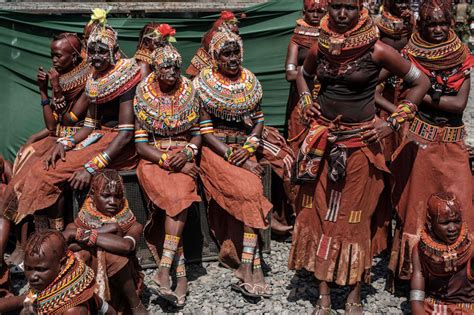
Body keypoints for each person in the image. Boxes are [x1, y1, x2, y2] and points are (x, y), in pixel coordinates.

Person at [288, 0, 430, 313]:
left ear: (360, 10)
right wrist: (306, 100)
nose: (341, 14)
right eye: (336, 6)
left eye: (349, 7)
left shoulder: (376, 50)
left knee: (355, 218)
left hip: (361, 144)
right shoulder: (321, 47)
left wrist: (392, 120)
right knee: (319, 213)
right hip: (323, 142)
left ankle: (354, 293)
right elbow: (302, 74)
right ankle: (323, 293)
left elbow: (420, 81)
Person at [1, 19, 141, 224]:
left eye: (101, 51)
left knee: (46, 175)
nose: (95, 57)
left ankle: (54, 238)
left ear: (115, 50)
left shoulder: (127, 74)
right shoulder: (95, 78)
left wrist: (90, 168)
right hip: (98, 136)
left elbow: (126, 134)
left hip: (119, 144)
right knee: (43, 165)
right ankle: (47, 238)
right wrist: (65, 144)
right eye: (91, 51)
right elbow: (89, 126)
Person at [389, 0, 474, 283]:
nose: (437, 29)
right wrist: (397, 109)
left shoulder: (462, 56)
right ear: (420, 26)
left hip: (453, 141)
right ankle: (413, 274)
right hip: (420, 139)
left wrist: (418, 93)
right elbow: (376, 86)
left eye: (442, 23)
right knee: (417, 205)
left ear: (451, 24)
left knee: (461, 203)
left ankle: (460, 275)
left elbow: (459, 104)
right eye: (431, 24)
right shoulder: (407, 55)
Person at [0, 32, 91, 274]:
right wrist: (43, 91)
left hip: (80, 138)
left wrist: (57, 90)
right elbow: (53, 126)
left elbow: (68, 120)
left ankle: (53, 238)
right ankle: (26, 241)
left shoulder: (89, 79)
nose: (53, 60)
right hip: (58, 134)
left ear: (75, 56)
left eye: (58, 55)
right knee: (25, 161)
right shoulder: (60, 75)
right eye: (51, 54)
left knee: (42, 173)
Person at [194, 29, 273, 298]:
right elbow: (204, 132)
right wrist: (232, 156)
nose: (232, 58)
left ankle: (249, 266)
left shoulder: (250, 81)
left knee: (252, 191)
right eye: (226, 54)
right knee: (250, 192)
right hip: (215, 151)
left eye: (235, 52)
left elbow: (259, 120)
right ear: (215, 57)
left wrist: (249, 147)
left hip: (243, 147)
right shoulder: (203, 83)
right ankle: (254, 266)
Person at [134, 38, 200, 308]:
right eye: (166, 68)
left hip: (183, 158)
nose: (172, 73)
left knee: (180, 197)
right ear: (156, 69)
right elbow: (140, 145)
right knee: (174, 201)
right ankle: (179, 275)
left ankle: (166, 269)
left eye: (176, 68)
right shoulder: (143, 94)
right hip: (154, 161)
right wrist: (165, 159)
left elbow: (197, 136)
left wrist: (187, 154)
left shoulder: (190, 92)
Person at [63, 170, 146, 314]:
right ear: (92, 195)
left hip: (121, 284)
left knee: (114, 255)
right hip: (90, 283)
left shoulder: (133, 225)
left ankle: (136, 306)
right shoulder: (80, 222)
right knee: (83, 253)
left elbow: (125, 246)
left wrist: (80, 235)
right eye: (106, 196)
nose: (113, 202)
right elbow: (69, 246)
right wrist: (108, 232)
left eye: (117, 196)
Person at [0, 230, 112, 315]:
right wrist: (27, 305)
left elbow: (104, 307)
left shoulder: (72, 309)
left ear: (61, 264)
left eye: (41, 269)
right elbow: (32, 295)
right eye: (28, 268)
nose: (32, 277)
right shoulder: (45, 284)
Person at [410, 192, 474, 314]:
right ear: (430, 222)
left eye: (457, 221)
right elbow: (416, 297)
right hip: (434, 307)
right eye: (445, 223)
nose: (452, 228)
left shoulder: (471, 247)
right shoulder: (419, 251)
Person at [285, 0, 327, 154]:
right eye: (311, 11)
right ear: (304, 12)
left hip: (325, 97)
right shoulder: (297, 37)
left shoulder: (331, 36)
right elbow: (290, 74)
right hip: (301, 99)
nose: (316, 15)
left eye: (320, 11)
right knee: (299, 139)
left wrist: (301, 70)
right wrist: (320, 74)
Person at [186, 11, 240, 79]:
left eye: (236, 33)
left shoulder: (234, 47)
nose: (234, 36)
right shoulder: (214, 38)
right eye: (233, 33)